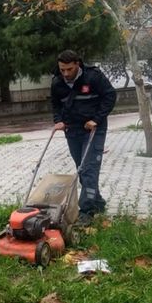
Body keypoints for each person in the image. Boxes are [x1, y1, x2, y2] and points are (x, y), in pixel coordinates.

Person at [50, 50, 116, 226]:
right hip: (72, 131)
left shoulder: (93, 77)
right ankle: (98, 203)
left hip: (93, 129)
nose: (66, 74)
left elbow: (110, 96)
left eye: (69, 69)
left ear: (77, 64)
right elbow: (56, 105)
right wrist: (59, 121)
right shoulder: (57, 82)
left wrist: (96, 119)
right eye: (62, 69)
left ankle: (86, 211)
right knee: (81, 169)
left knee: (89, 168)